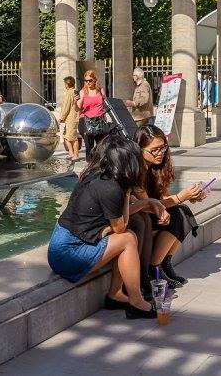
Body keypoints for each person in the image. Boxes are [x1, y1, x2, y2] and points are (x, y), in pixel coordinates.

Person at [45, 130, 164, 319]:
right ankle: (136, 301)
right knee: (128, 238)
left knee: (128, 234)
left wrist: (146, 202)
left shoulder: (98, 176)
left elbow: (116, 218)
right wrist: (128, 192)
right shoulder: (111, 188)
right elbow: (120, 227)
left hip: (64, 246)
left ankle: (116, 295)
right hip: (67, 255)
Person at [133, 127, 207, 290]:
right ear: (139, 149)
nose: (160, 153)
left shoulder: (157, 167)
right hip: (139, 217)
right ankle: (154, 267)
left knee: (182, 210)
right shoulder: (136, 170)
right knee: (176, 213)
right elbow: (147, 205)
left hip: (150, 213)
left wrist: (190, 196)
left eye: (163, 147)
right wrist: (180, 197)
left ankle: (165, 262)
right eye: (154, 150)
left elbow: (163, 197)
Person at [55, 77, 83, 156]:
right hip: (73, 118)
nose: (64, 85)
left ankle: (75, 154)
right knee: (67, 136)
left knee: (71, 138)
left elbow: (66, 107)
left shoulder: (69, 93)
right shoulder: (74, 92)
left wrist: (61, 118)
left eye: (65, 83)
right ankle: (72, 153)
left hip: (71, 118)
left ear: (67, 84)